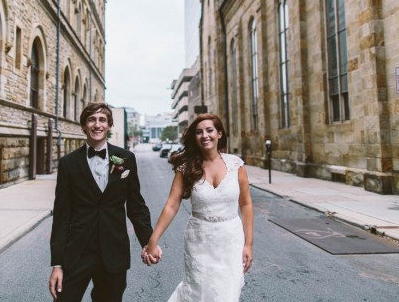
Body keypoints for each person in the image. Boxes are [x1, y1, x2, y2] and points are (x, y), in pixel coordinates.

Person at [49, 102, 160, 301]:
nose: (97, 124)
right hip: (76, 253)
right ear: (83, 126)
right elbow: (61, 216)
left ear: (109, 126)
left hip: (113, 251)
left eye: (102, 120)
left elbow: (136, 207)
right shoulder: (68, 164)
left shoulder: (126, 158)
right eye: (91, 119)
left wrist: (148, 241)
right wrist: (57, 263)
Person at [143, 113, 254, 301]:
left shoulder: (236, 165)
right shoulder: (186, 168)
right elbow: (171, 205)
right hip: (199, 240)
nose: (205, 135)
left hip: (231, 241)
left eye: (210, 130)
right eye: (199, 132)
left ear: (219, 134)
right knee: (198, 293)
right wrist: (153, 241)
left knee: (227, 294)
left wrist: (248, 244)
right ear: (194, 137)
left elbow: (245, 204)